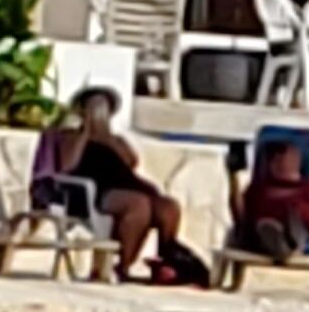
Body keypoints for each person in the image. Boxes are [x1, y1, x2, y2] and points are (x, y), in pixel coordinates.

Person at [29, 88, 210, 284]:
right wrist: (86, 132)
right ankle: (122, 266)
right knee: (138, 205)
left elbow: (132, 162)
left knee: (168, 207)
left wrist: (107, 138)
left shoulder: (116, 140)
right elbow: (67, 167)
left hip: (123, 184)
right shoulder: (69, 137)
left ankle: (168, 259)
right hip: (94, 191)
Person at [232, 132, 309, 261]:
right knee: (267, 227)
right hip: (263, 241)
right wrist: (232, 180)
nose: (278, 159)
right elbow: (242, 219)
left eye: (284, 153)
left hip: (306, 240)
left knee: (297, 221)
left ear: (298, 158)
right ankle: (278, 242)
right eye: (273, 155)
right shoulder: (258, 189)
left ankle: (289, 240)